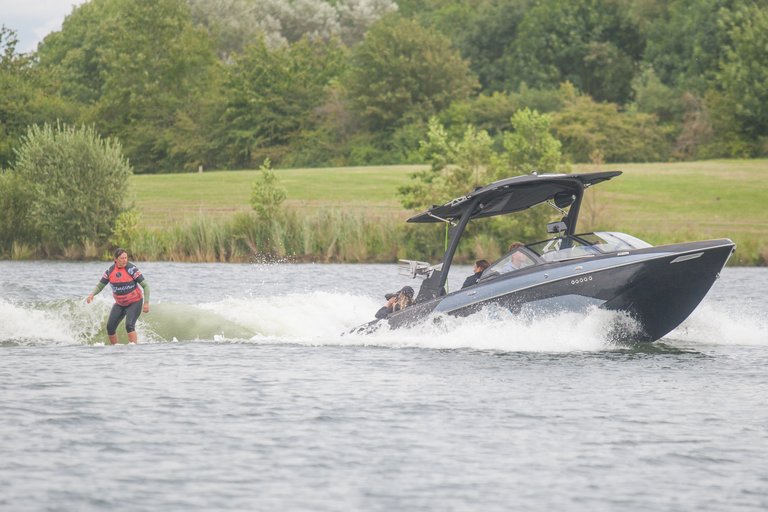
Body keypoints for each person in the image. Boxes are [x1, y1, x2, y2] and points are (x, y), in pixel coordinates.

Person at [87, 248, 150, 345]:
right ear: (116, 259)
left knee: (129, 325)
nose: (125, 260)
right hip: (120, 304)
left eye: (126, 258)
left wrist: (146, 303)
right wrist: (92, 294)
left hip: (135, 302)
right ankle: (115, 348)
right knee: (110, 328)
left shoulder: (132, 269)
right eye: (122, 258)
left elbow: (146, 286)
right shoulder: (110, 271)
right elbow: (100, 286)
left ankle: (134, 349)